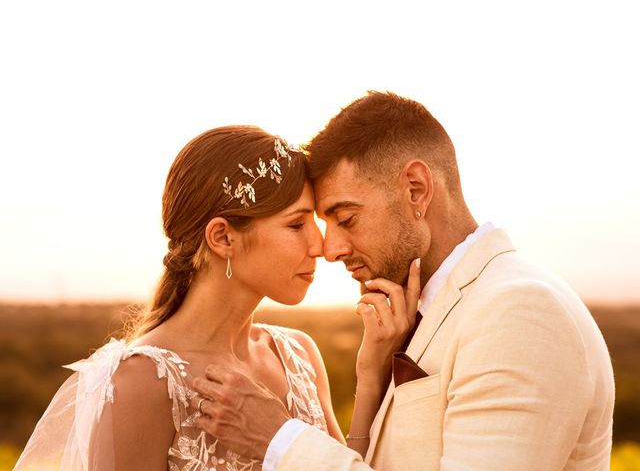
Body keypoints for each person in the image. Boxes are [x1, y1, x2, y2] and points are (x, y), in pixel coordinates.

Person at [193, 92, 616, 470]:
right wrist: (373, 373)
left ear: (415, 189)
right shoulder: (436, 310)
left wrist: (281, 440)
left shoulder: (519, 314)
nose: (331, 248)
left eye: (346, 218)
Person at [15, 125, 414, 470]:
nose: (320, 247)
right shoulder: (140, 383)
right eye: (296, 225)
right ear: (223, 237)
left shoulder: (299, 355)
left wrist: (371, 371)